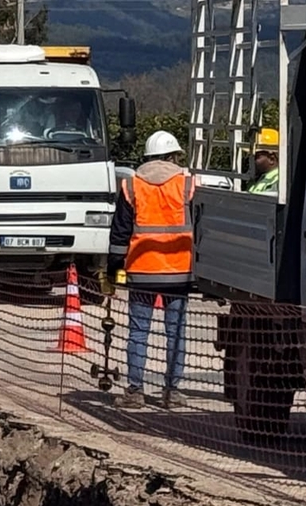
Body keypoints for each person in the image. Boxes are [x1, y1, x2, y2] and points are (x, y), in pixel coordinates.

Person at [108, 130, 194, 410]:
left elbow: (120, 232)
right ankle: (172, 392)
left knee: (138, 332)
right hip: (179, 270)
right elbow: (200, 226)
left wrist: (113, 269)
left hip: (142, 270)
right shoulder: (187, 183)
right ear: (173, 155)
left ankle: (135, 392)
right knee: (176, 332)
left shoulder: (132, 185)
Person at [248, 128, 280, 194]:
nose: (252, 160)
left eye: (256, 157)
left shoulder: (277, 182)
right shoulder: (258, 177)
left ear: (271, 159)